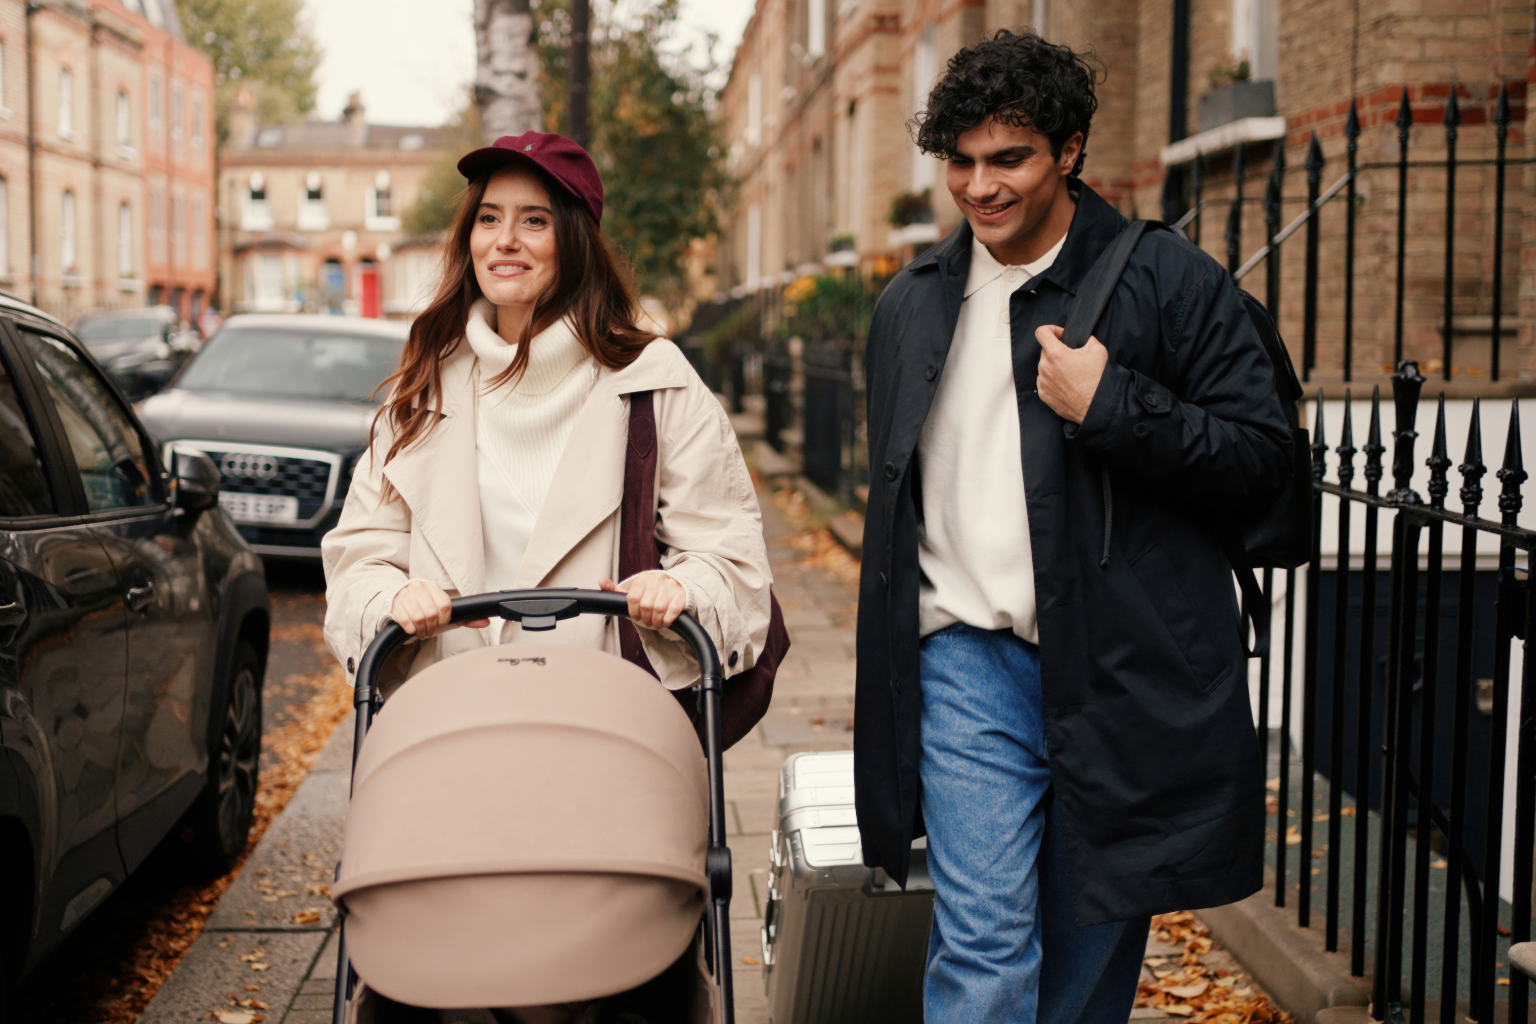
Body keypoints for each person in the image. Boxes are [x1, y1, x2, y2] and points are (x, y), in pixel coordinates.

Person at [854, 30, 1292, 1024]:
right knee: (984, 943)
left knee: (1087, 967)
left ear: (1071, 149)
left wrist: (1116, 407)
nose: (980, 185)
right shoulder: (912, 305)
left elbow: (1269, 470)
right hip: (968, 664)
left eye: (1007, 158)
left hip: (1121, 673)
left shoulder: (1168, 283)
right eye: (960, 161)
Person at [323, 130, 772, 702]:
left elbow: (732, 561)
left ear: (576, 240)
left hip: (611, 723)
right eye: (488, 219)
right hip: (449, 723)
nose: (505, 241)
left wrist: (683, 587)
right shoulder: (423, 390)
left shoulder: (655, 380)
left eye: (535, 221)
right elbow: (359, 558)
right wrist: (390, 599)